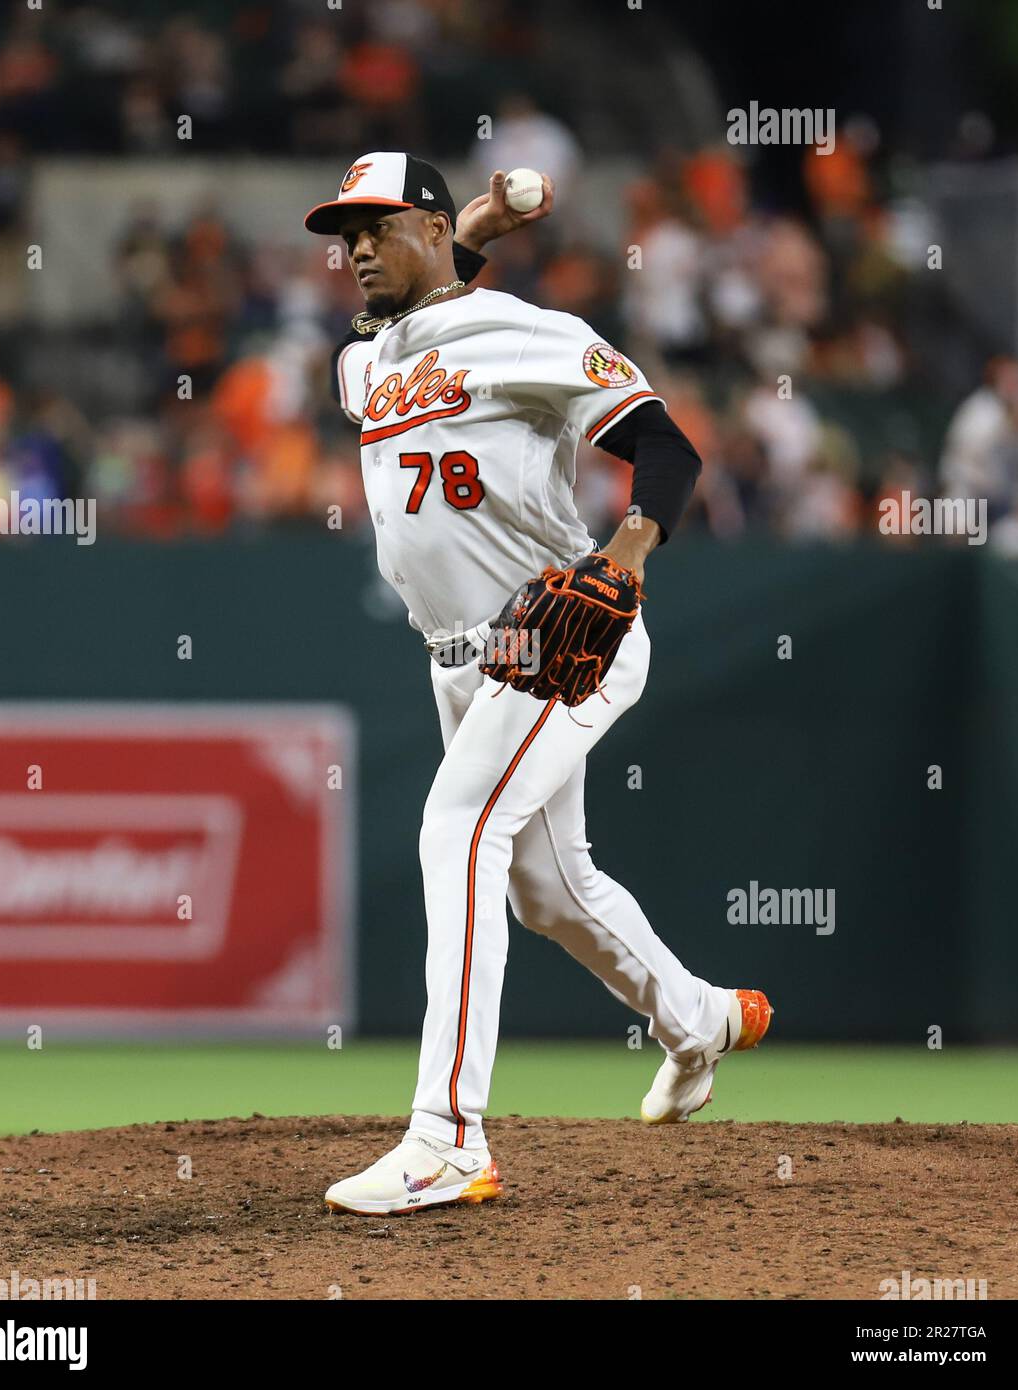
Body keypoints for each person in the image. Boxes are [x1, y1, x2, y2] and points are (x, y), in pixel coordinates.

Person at [305, 153, 773, 1216]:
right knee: (548, 889)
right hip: (456, 663)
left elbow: (665, 445)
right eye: (345, 235)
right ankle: (697, 1018)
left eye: (378, 226)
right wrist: (465, 227)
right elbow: (392, 334)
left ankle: (447, 1138)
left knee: (456, 832)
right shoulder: (365, 363)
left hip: (558, 633)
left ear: (424, 229)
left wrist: (629, 550)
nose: (356, 249)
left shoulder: (529, 332)